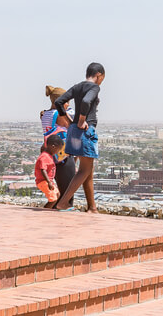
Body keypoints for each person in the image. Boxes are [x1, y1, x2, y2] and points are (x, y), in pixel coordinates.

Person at [51, 62, 105, 212]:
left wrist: (68, 120)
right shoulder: (94, 87)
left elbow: (59, 101)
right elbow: (87, 101)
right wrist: (82, 120)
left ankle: (92, 207)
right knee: (83, 170)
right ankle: (63, 202)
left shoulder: (77, 87)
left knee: (88, 170)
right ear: (99, 75)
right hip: (85, 132)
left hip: (73, 131)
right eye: (102, 78)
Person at [41, 85, 75, 208]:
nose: (68, 105)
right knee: (69, 187)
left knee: (61, 185)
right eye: (66, 102)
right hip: (63, 154)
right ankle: (66, 211)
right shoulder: (59, 114)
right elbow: (72, 126)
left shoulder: (45, 114)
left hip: (52, 153)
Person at [35, 135, 65, 205]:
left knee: (57, 195)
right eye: (58, 149)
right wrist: (48, 182)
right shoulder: (44, 156)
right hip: (43, 181)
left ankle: (49, 211)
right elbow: (43, 169)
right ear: (53, 147)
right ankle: (45, 213)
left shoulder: (49, 155)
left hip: (48, 181)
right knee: (53, 199)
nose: (57, 152)